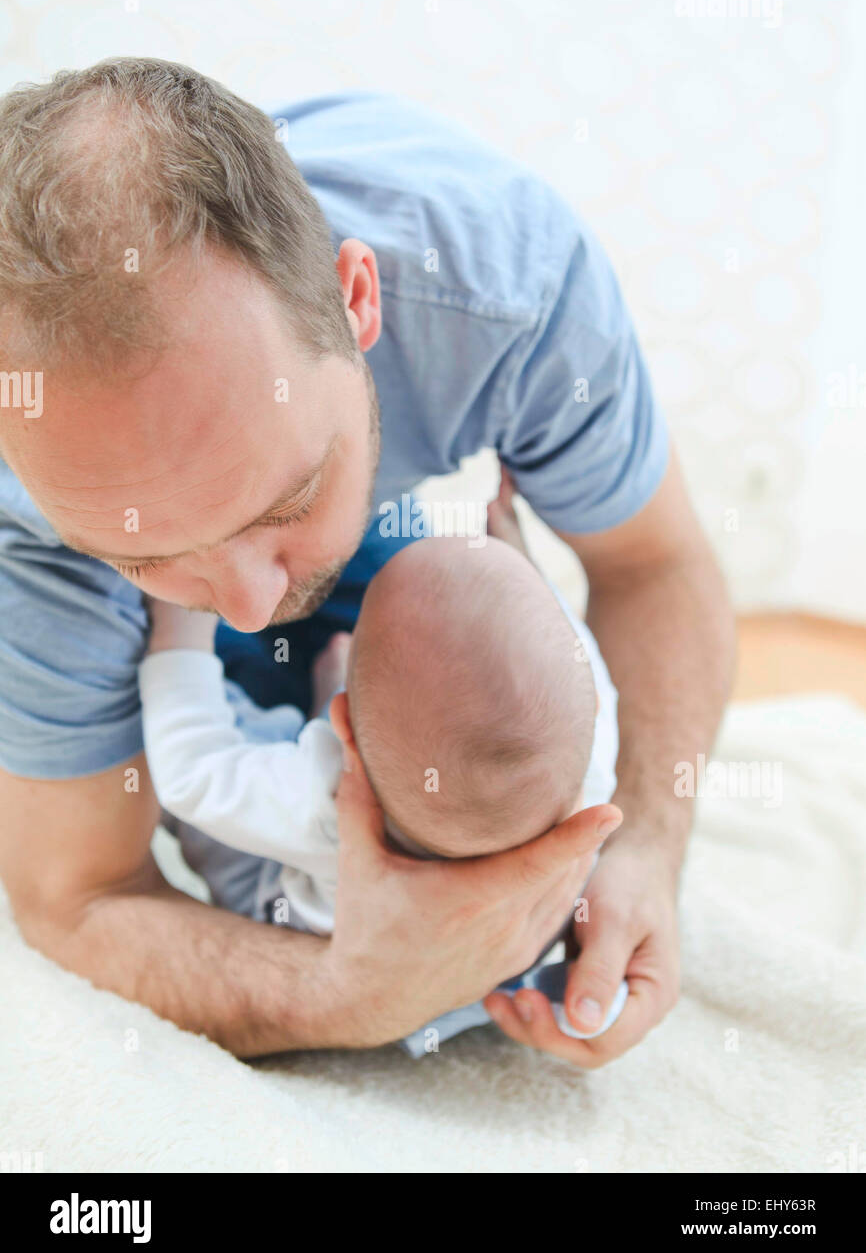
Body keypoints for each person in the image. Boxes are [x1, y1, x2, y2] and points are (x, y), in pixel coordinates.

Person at [0, 59, 734, 1063]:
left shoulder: (506, 293)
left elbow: (653, 566)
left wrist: (644, 847)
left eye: (287, 503)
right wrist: (352, 993)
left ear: (356, 301)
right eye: (142, 555)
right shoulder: (27, 505)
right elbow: (77, 897)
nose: (247, 606)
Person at [139, 534, 628, 1055]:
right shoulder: (593, 755)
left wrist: (179, 629)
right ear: (595, 708)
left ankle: (307, 679)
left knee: (184, 766)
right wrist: (517, 550)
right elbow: (574, 649)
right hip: (508, 953)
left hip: (309, 936)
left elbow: (192, 773)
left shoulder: (320, 798)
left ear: (342, 728)